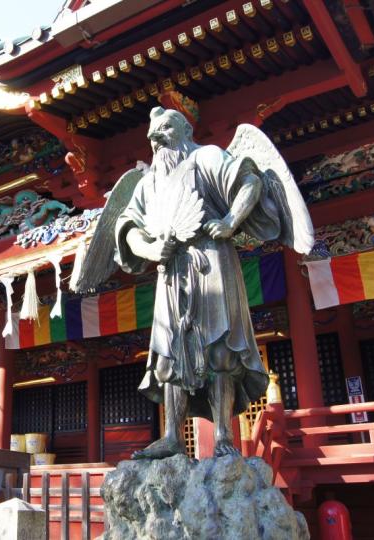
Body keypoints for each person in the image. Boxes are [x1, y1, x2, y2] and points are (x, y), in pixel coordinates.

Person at [115, 107, 283, 458]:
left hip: (211, 260)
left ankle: (223, 436)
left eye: (163, 128)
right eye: (152, 133)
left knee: (221, 350)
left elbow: (250, 181)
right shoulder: (149, 183)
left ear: (184, 129)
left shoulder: (206, 157)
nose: (155, 137)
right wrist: (149, 249)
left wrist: (229, 221)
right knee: (169, 355)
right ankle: (173, 436)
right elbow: (128, 228)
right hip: (169, 270)